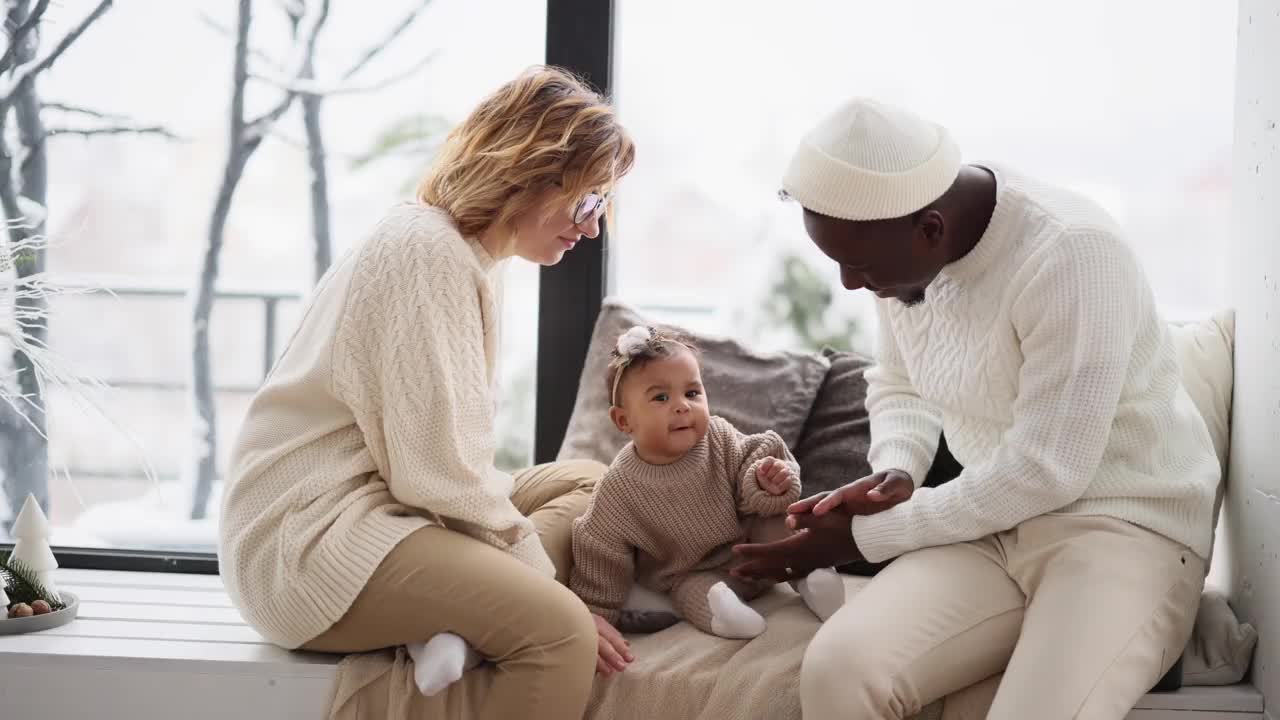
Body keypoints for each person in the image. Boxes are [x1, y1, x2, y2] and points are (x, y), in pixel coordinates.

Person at [732, 97, 1219, 719]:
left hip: (1123, 529)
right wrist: (898, 470)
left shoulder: (1072, 255)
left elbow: (1048, 470)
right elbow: (900, 380)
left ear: (930, 228)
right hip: (992, 524)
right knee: (839, 669)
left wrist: (860, 537)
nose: (851, 285)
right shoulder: (901, 244)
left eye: (856, 266)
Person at [217, 66, 636, 720]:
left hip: (380, 506)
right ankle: (481, 615)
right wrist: (555, 596)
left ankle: (457, 621)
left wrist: (517, 572)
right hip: (307, 545)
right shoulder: (428, 254)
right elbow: (436, 473)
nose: (592, 229)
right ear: (534, 173)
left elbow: (438, 470)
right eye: (589, 202)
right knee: (561, 636)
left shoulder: (459, 252)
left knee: (590, 483)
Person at [568, 326, 844, 650]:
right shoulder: (619, 489)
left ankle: (811, 576)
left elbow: (753, 462)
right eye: (661, 397)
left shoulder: (718, 436)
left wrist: (766, 480)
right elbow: (600, 553)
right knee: (690, 591)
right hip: (693, 571)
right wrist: (596, 613)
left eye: (692, 393)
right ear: (624, 421)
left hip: (752, 543)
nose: (682, 406)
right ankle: (725, 613)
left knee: (779, 525)